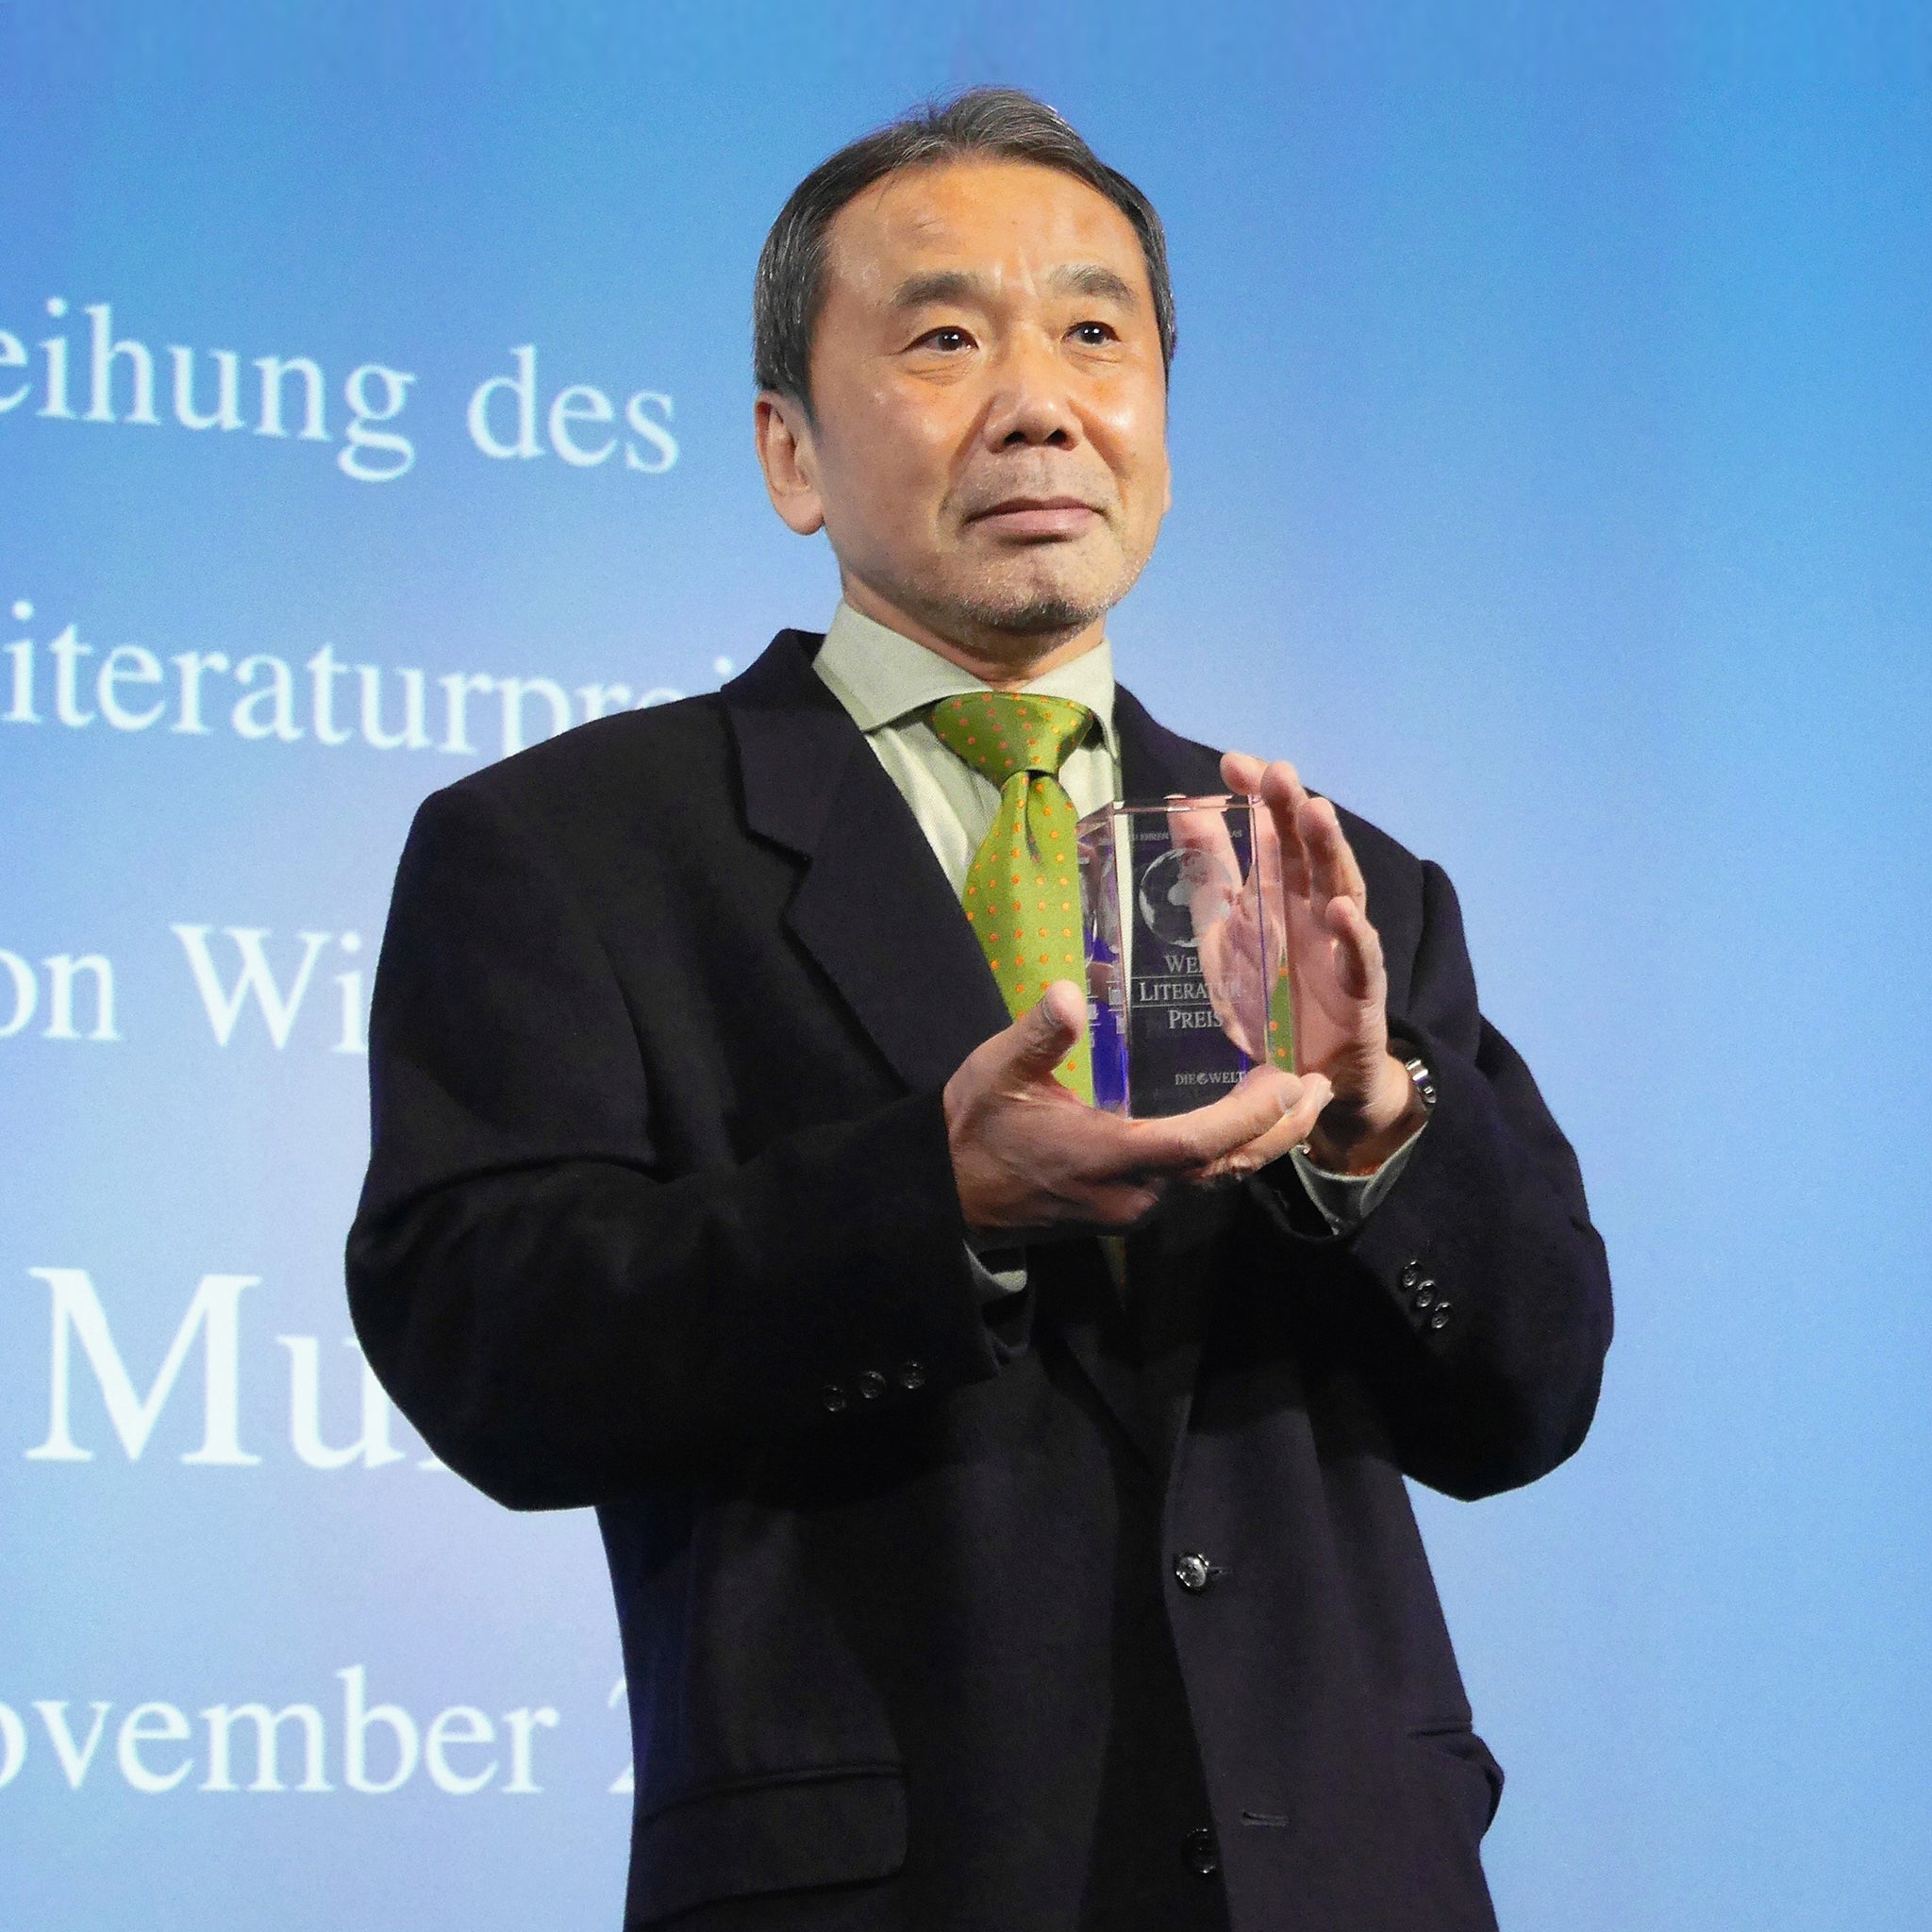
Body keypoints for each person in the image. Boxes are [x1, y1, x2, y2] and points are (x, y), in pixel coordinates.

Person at [347, 88, 1612, 1932]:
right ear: (788, 452)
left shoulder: (1333, 874)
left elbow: (1528, 1394)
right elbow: (487, 1350)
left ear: (1160, 413)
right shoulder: (567, 849)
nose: (1040, 398)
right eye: (945, 335)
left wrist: (1378, 1130)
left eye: (1096, 333)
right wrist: (936, 1199)